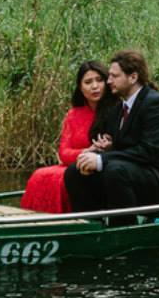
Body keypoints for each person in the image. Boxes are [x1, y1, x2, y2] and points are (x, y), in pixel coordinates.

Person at [67, 49, 159, 225]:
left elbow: (147, 152)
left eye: (114, 76)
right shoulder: (118, 109)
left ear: (133, 77)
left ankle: (122, 229)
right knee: (75, 171)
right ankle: (89, 226)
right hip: (133, 171)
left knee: (115, 171)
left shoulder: (155, 103)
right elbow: (124, 148)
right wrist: (106, 149)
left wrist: (100, 160)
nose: (108, 81)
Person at [19, 62, 111, 214]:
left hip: (97, 166)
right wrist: (86, 151)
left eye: (99, 80)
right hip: (75, 162)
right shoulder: (74, 114)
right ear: (80, 88)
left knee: (65, 178)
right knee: (40, 175)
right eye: (88, 82)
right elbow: (63, 151)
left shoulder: (117, 110)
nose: (95, 86)